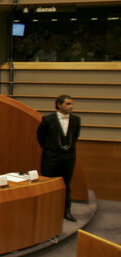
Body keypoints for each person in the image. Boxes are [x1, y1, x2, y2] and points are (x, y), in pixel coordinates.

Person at [37, 94, 81, 222]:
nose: (71, 106)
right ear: (59, 105)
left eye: (71, 104)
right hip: (51, 157)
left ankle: (66, 210)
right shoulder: (48, 120)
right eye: (68, 104)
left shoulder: (76, 120)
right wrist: (50, 150)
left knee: (66, 184)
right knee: (49, 183)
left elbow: (75, 137)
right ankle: (48, 211)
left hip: (68, 157)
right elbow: (40, 136)